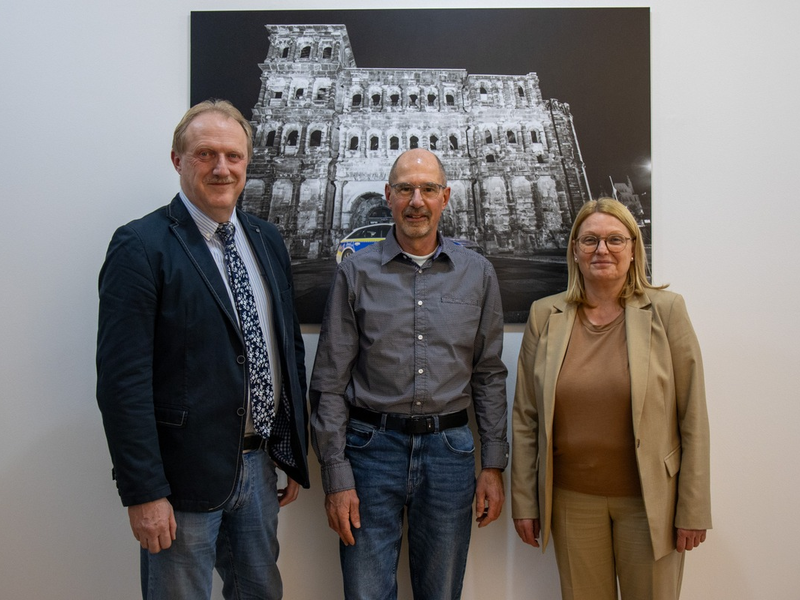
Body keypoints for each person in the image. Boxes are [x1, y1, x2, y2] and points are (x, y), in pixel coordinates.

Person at [96, 99, 309, 600]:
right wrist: (145, 492)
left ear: (247, 162)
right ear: (177, 160)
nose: (222, 168)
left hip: (258, 467)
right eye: (205, 154)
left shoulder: (267, 239)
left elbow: (287, 348)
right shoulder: (141, 245)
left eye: (234, 156)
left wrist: (290, 446)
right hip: (181, 480)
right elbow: (123, 384)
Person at [310, 148, 509, 600]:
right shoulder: (354, 273)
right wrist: (336, 475)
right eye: (405, 189)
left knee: (441, 593)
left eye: (428, 189)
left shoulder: (478, 274)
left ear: (445, 197)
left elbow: (488, 374)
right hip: (369, 453)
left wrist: (494, 465)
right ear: (388, 196)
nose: (416, 201)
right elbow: (329, 382)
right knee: (365, 592)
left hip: (450, 453)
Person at [511, 198, 711, 599]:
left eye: (615, 239)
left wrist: (693, 508)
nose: (602, 250)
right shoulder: (544, 315)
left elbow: (693, 415)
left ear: (633, 248)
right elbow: (525, 418)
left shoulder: (667, 311)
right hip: (571, 502)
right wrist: (525, 502)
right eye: (590, 240)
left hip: (651, 502)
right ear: (575, 250)